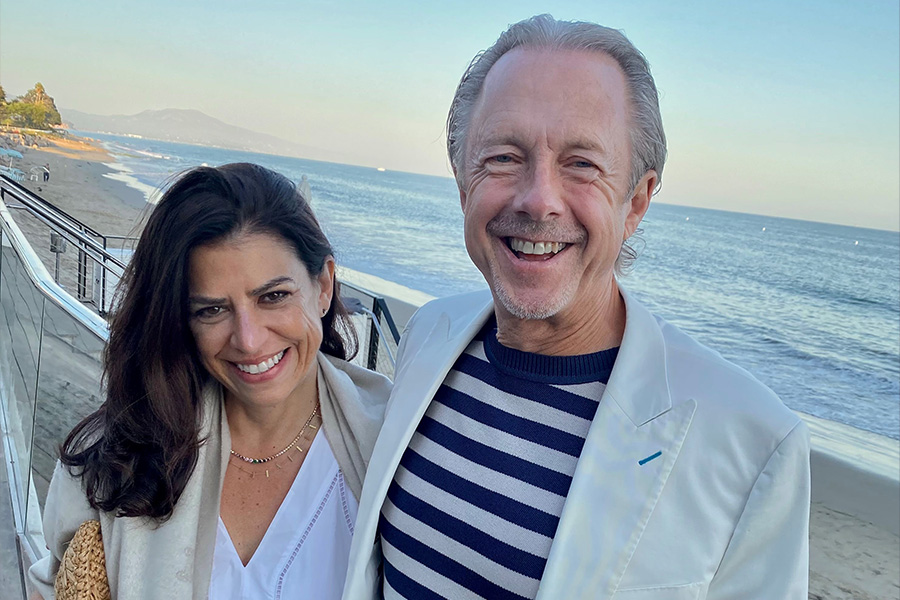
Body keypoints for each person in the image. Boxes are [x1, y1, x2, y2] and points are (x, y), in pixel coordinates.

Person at [343, 14, 810, 600]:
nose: (539, 199)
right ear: (464, 184)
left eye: (582, 164)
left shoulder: (751, 443)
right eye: (504, 157)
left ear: (635, 201)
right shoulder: (428, 334)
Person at [29, 163, 391, 599]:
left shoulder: (395, 446)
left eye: (273, 296)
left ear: (324, 286)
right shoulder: (120, 459)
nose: (249, 339)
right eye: (211, 310)